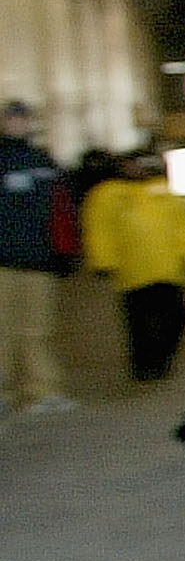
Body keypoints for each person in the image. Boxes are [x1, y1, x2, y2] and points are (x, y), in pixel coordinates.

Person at [82, 147, 185, 381]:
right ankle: (144, 363)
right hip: (133, 272)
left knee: (177, 316)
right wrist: (103, 261)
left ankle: (162, 356)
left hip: (168, 270)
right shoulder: (107, 194)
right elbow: (99, 230)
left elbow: (183, 223)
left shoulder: (162, 191)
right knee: (139, 323)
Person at [0, 97, 77, 415]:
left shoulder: (43, 161)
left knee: (38, 330)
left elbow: (63, 208)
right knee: (5, 331)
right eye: (12, 119)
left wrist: (65, 251)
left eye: (22, 119)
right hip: (5, 262)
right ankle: (5, 392)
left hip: (40, 261)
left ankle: (41, 392)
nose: (18, 124)